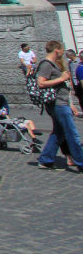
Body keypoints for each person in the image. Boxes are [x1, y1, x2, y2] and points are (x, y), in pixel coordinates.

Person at [36, 40, 83, 171]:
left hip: (61, 103)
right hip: (58, 104)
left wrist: (70, 102)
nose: (63, 52)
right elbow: (41, 83)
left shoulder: (52, 64)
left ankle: (46, 160)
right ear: (57, 50)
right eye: (62, 50)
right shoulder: (46, 64)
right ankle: (81, 161)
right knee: (72, 133)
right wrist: (61, 78)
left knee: (59, 132)